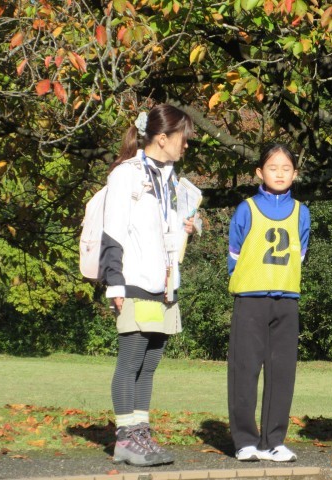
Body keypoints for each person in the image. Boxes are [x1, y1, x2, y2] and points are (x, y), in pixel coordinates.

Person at [100, 104, 196, 467]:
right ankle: (125, 439)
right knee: (131, 361)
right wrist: (115, 284)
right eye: (183, 138)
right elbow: (113, 231)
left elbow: (164, 230)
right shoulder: (126, 174)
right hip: (134, 282)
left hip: (165, 285)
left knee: (150, 363)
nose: (186, 145)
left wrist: (186, 227)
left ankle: (141, 433)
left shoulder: (170, 179)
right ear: (163, 138)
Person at [227, 143, 310, 462]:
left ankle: (273, 440)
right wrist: (246, 282)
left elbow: (300, 254)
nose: (279, 173)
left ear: (295, 174)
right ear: (259, 172)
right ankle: (245, 440)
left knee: (282, 373)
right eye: (273, 168)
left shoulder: (302, 212)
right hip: (250, 299)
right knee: (245, 370)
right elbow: (234, 254)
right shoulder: (246, 208)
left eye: (286, 168)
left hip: (286, 299)